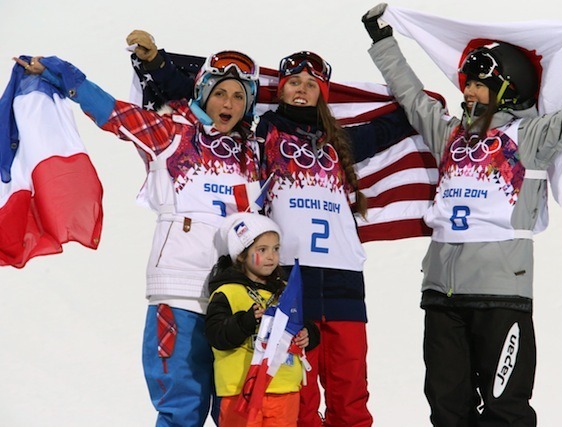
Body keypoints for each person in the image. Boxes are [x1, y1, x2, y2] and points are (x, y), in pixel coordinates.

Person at [129, 33, 417, 426]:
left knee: (350, 396)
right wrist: (158, 64)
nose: (302, 89)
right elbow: (211, 100)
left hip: (344, 279)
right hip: (287, 277)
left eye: (312, 84)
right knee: (295, 396)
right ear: (279, 89)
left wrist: (426, 105)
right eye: (294, 82)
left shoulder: (341, 143)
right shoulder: (261, 135)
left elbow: (396, 123)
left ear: (324, 93)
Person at [361, 4, 562, 426]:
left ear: (508, 88)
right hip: (442, 292)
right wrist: (383, 41)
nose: (469, 92)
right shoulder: (450, 135)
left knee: (504, 410)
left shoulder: (528, 136)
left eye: (481, 85)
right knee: (446, 409)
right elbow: (411, 98)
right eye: (469, 84)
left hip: (502, 293)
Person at [15, 49, 263, 427]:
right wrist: (64, 77)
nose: (228, 103)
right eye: (220, 93)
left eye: (238, 97)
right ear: (203, 94)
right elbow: (115, 114)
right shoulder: (173, 134)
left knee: (240, 413)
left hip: (236, 301)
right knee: (182, 409)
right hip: (180, 294)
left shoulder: (256, 154)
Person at [206, 212, 320, 427]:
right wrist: (245, 322)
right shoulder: (227, 292)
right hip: (241, 391)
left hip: (283, 388)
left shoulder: (284, 292)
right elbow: (217, 336)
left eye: (276, 249)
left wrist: (308, 334)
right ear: (241, 254)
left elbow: (302, 323)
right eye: (262, 250)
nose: (271, 257)